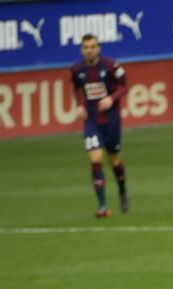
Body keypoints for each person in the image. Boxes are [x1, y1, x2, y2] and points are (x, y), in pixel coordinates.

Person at [71, 34, 129, 218]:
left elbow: (126, 86)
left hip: (111, 121)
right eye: (86, 47)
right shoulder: (77, 69)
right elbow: (77, 88)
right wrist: (80, 104)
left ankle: (122, 190)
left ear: (99, 48)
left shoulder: (111, 65)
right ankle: (103, 206)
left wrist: (112, 98)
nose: (89, 50)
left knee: (115, 160)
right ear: (82, 50)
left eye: (93, 46)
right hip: (92, 121)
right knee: (95, 158)